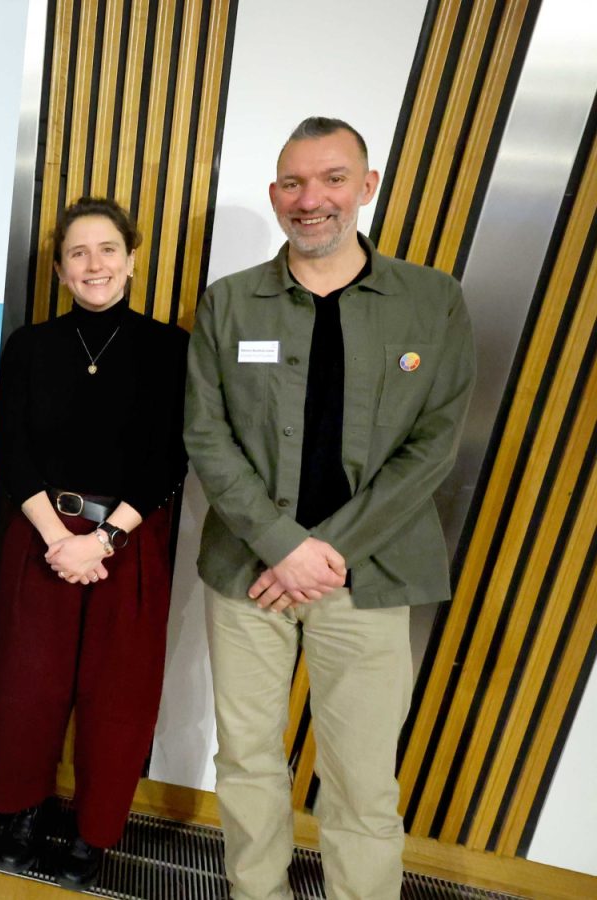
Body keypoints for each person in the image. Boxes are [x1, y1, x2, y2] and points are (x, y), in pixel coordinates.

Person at [184, 116, 476, 900]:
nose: (311, 199)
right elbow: (206, 439)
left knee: (361, 778)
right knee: (246, 760)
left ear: (368, 186)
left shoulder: (432, 301)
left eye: (332, 178)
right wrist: (283, 544)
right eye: (292, 182)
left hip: (372, 577)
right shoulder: (230, 303)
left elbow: (434, 448)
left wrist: (325, 552)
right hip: (248, 573)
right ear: (275, 192)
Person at [0, 197, 189, 885]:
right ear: (61, 268)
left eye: (107, 250)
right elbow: (10, 449)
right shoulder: (30, 346)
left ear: (131, 258)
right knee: (25, 687)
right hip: (39, 536)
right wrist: (57, 538)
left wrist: (99, 541)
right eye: (78, 253)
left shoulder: (169, 349)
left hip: (127, 545)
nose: (93, 265)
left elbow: (169, 459)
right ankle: (19, 812)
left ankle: (93, 832)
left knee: (117, 698)